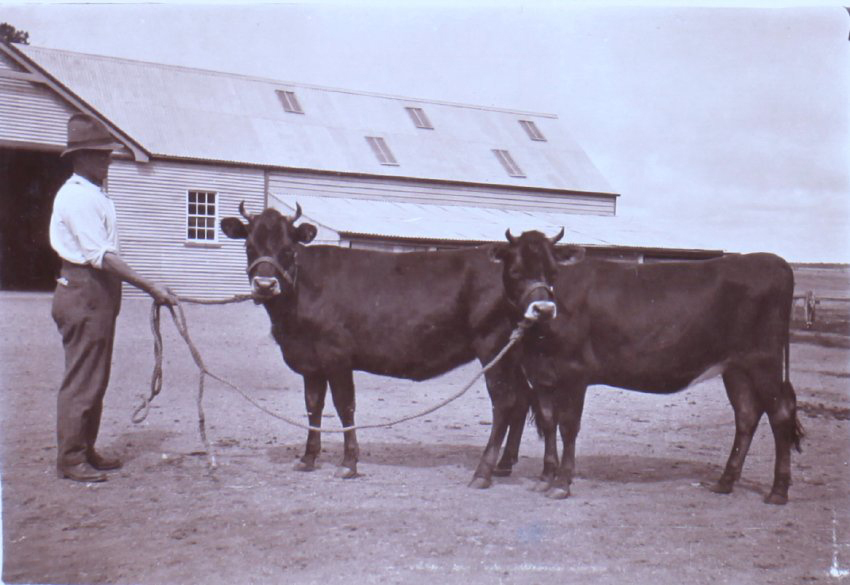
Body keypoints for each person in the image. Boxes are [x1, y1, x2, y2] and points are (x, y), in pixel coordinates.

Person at [49, 113, 179, 482]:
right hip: (84, 290)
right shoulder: (77, 197)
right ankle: (70, 458)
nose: (108, 160)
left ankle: (84, 448)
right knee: (83, 378)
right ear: (80, 157)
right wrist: (150, 285)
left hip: (98, 292)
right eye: (100, 154)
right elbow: (101, 256)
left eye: (108, 153)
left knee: (96, 376)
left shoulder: (95, 193)